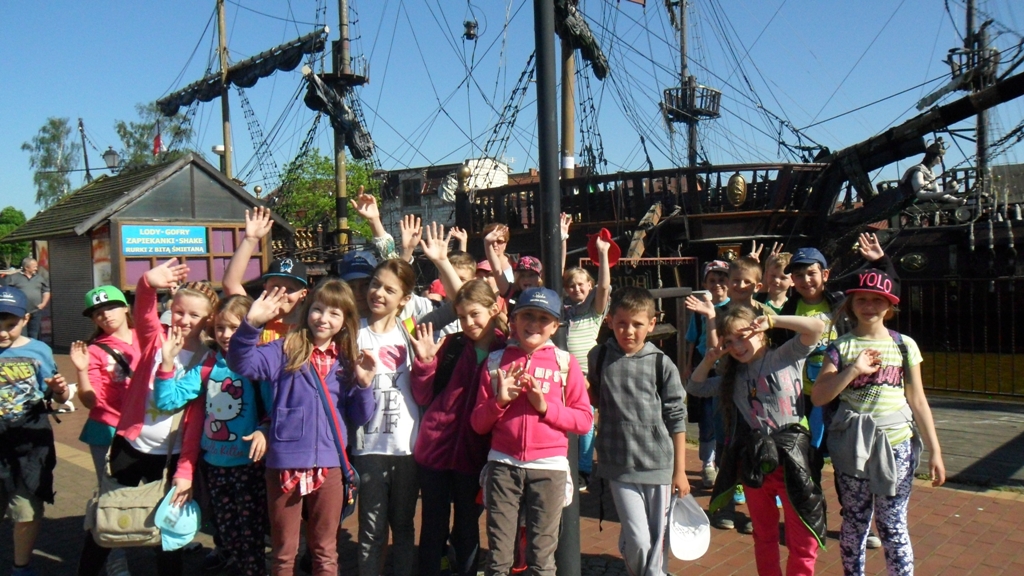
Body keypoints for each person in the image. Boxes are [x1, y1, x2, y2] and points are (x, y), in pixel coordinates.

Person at [229, 279, 376, 576]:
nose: (323, 318)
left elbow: (360, 416)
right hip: (285, 462)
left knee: (325, 552)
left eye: (334, 313)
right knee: (284, 553)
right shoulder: (283, 349)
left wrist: (364, 384)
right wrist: (252, 324)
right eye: (318, 309)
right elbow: (242, 363)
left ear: (345, 320)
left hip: (330, 464)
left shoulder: (347, 360)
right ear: (307, 309)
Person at [78, 260, 213, 576]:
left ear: (209, 319)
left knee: (167, 530)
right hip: (131, 444)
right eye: (179, 311)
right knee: (107, 514)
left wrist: (186, 470)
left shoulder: (208, 361)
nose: (184, 320)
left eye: (195, 315)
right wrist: (147, 283)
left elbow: (191, 421)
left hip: (172, 454)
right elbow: (144, 313)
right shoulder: (155, 340)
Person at [812, 269, 945, 576]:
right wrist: (853, 370)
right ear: (851, 304)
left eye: (877, 300)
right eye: (862, 299)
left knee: (893, 523)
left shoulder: (904, 345)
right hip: (853, 446)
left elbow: (918, 399)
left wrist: (935, 451)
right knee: (855, 521)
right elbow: (819, 396)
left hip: (896, 445)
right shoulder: (840, 347)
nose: (869, 306)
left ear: (890, 306)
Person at [686, 307, 828, 576]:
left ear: (760, 332)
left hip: (794, 461)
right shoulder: (733, 377)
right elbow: (695, 388)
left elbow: (816, 328)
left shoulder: (785, 355)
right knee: (764, 535)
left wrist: (773, 320)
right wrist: (709, 360)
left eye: (743, 336)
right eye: (730, 342)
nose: (737, 346)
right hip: (757, 463)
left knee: (804, 538)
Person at [471, 287, 593, 576]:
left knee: (542, 559)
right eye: (527, 315)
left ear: (555, 326)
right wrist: (500, 402)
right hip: (504, 465)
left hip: (549, 469)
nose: (534, 324)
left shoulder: (565, 363)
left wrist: (545, 408)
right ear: (514, 319)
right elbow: (478, 423)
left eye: (543, 318)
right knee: (499, 558)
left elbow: (584, 420)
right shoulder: (496, 361)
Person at [154, 295, 272, 576]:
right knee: (228, 535)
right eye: (220, 327)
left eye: (234, 327)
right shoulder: (208, 365)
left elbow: (273, 410)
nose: (226, 334)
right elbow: (168, 400)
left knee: (252, 537)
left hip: (249, 466)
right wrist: (167, 363)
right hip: (215, 466)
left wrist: (264, 429)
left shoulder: (259, 365)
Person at [587, 287, 688, 576]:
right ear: (610, 321)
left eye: (637, 324)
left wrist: (680, 471)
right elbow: (596, 397)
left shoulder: (660, 363)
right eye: (621, 323)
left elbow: (677, 417)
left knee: (658, 540)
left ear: (651, 324)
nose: (628, 331)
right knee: (639, 539)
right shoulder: (599, 357)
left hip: (658, 464)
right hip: (617, 464)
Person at [410, 280, 508, 576]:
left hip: (475, 455)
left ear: (493, 310)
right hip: (434, 450)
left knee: (467, 526)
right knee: (433, 525)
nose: (468, 323)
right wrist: (426, 363)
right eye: (462, 316)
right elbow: (423, 395)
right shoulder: (451, 345)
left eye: (475, 314)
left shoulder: (507, 351)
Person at [351, 259, 422, 576]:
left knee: (403, 525)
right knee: (371, 530)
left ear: (405, 299)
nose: (378, 293)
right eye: (375, 284)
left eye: (389, 290)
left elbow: (455, 304)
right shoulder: (352, 332)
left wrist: (439, 260)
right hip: (368, 447)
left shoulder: (412, 333)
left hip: (407, 447)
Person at [68, 286, 139, 576]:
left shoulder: (148, 335)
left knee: (156, 488)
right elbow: (90, 401)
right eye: (97, 312)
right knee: (112, 497)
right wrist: (81, 370)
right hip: (107, 429)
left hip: (148, 428)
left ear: (125, 308)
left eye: (110, 307)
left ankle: (168, 542)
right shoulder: (95, 350)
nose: (105, 315)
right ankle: (115, 559)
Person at [0, 286, 70, 576]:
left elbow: (58, 398)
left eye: (10, 325)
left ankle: (21, 567)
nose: (2, 333)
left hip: (29, 443)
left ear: (25, 319)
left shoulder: (39, 350)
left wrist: (59, 391)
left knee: (26, 512)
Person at [562, 234, 612, 491]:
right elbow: (555, 274)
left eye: (581, 284)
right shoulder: (564, 311)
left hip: (585, 373)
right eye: (571, 286)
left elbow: (604, 287)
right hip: (563, 371)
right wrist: (562, 241)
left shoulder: (594, 310)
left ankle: (583, 468)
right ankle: (567, 463)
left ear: (589, 286)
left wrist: (603, 253)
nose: (576, 289)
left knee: (586, 421)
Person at [222, 206, 310, 344]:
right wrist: (250, 240)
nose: (281, 293)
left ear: (303, 294)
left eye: (290, 289)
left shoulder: (311, 324)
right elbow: (230, 284)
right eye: (275, 286)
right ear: (265, 287)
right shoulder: (255, 315)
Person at [682, 260, 729, 492]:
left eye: (722, 279)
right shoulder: (700, 310)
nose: (717, 284)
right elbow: (693, 338)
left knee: (723, 417)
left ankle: (724, 462)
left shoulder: (733, 307)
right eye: (712, 280)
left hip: (725, 368)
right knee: (706, 417)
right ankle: (707, 462)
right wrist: (688, 364)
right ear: (705, 284)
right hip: (704, 366)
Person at [901, 138, 965, 205]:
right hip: (904, 205)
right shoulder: (918, 172)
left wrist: (956, 200)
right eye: (940, 156)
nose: (943, 159)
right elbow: (920, 194)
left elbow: (937, 193)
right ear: (932, 156)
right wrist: (946, 192)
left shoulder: (931, 173)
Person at [3, 258, 49, 340]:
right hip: (20, 311)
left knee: (34, 334)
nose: (36, 269)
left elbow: (46, 291)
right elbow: (5, 291)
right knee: (21, 334)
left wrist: (43, 304)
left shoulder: (39, 278)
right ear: (26, 267)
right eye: (34, 267)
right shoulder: (13, 278)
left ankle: (32, 348)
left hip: (36, 310)